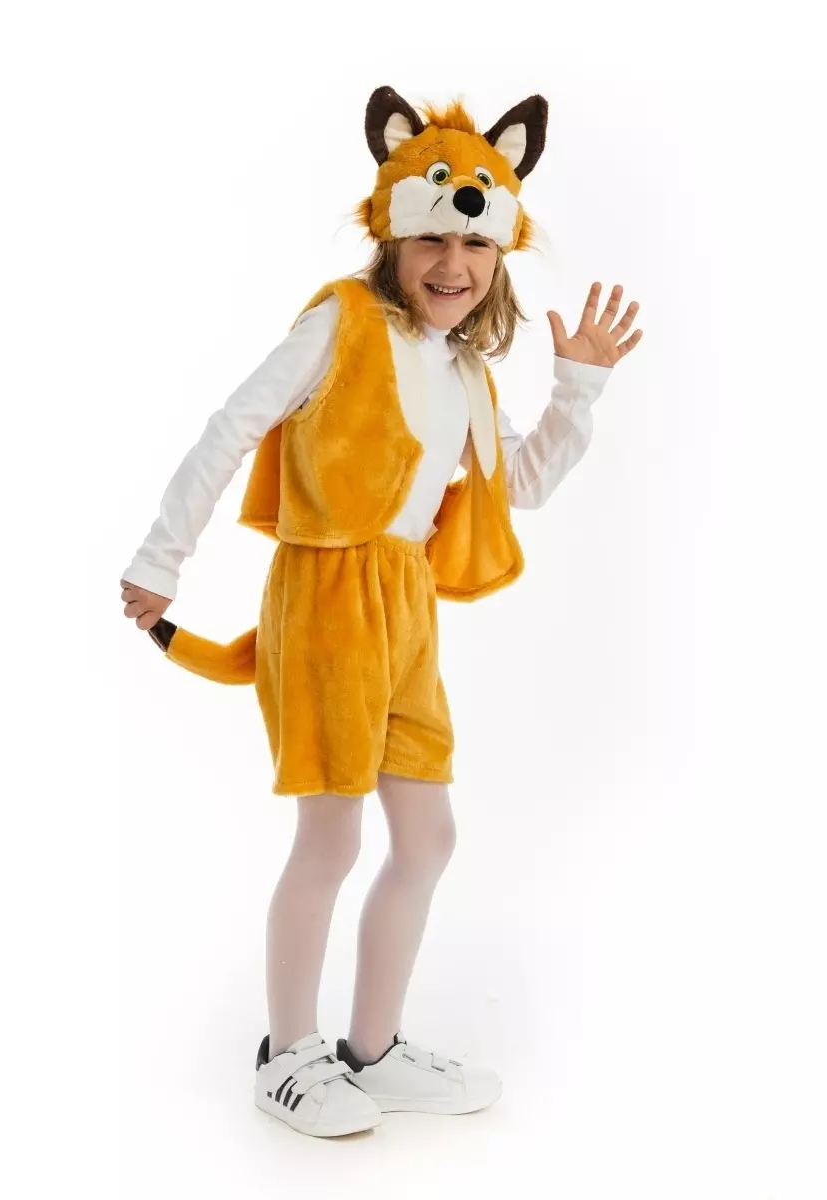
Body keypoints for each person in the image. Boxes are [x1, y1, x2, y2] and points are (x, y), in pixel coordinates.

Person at [119, 85, 642, 1139]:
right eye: (434, 238)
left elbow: (519, 487)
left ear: (500, 256)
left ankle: (374, 1048)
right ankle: (288, 1056)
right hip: (325, 596)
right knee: (331, 835)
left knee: (428, 833)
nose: (455, 264)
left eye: (477, 245)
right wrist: (161, 559)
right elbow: (233, 426)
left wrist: (577, 388)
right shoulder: (341, 322)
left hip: (406, 606)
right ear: (394, 237)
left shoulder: (466, 369)